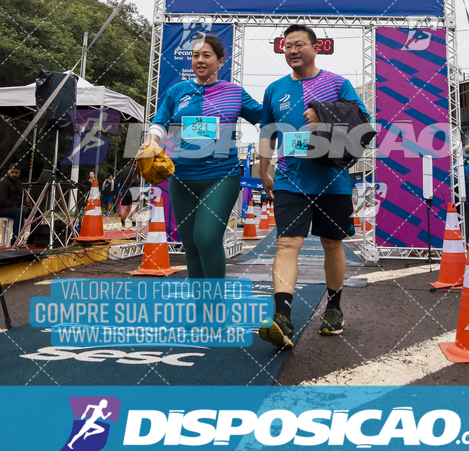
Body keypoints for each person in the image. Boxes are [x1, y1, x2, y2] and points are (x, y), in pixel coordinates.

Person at [258, 24, 368, 349]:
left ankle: (334, 307)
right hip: (290, 180)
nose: (292, 50)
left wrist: (323, 119)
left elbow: (361, 122)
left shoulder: (337, 83)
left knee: (333, 246)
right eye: (287, 45)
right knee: (286, 244)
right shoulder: (275, 89)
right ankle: (282, 318)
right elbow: (267, 134)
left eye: (299, 45)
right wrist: (265, 171)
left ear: (315, 47)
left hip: (332, 181)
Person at [139, 34, 262, 278]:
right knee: (191, 246)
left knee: (206, 238)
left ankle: (214, 307)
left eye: (207, 55)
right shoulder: (178, 91)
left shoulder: (235, 93)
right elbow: (159, 125)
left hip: (221, 177)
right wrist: (149, 142)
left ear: (220, 61)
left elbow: (264, 117)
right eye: (196, 56)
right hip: (181, 177)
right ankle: (199, 308)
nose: (200, 60)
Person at [0, 165, 24, 245]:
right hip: (3, 208)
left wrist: (25, 205)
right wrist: (17, 206)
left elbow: (22, 197)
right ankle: (16, 240)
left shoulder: (19, 183)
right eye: (12, 172)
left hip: (15, 207)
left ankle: (33, 240)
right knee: (19, 212)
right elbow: (2, 201)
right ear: (8, 172)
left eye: (17, 173)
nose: (14, 174)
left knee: (35, 213)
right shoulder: (3, 183)